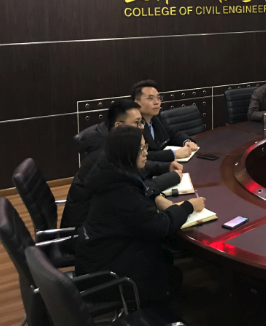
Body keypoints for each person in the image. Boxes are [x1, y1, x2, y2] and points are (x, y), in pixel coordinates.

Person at [76, 126, 206, 305]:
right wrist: (187, 207)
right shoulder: (122, 192)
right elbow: (159, 226)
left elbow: (142, 193)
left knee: (167, 261)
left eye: (145, 147)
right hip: (110, 274)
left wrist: (155, 198)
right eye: (141, 150)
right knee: (172, 275)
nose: (146, 153)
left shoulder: (111, 170)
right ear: (127, 153)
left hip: (99, 255)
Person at [61, 100, 184, 229]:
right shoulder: (105, 153)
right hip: (86, 229)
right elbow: (132, 187)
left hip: (102, 220)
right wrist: (170, 179)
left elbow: (132, 169)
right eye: (137, 123)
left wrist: (166, 167)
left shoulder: (115, 144)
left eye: (141, 122)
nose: (142, 127)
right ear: (119, 126)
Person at [131, 80, 199, 161]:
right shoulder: (133, 124)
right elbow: (141, 155)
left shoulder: (156, 117)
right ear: (137, 103)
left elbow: (172, 133)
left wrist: (186, 141)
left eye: (158, 98)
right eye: (150, 98)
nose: (156, 102)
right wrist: (174, 154)